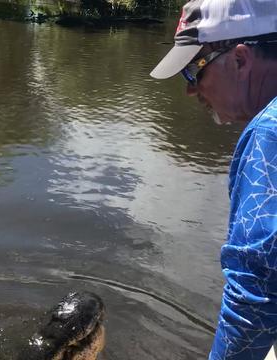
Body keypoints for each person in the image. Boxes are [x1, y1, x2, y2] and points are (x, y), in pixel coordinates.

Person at [149, 0, 277, 359]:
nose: (191, 90)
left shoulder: (270, 133)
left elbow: (255, 297)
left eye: (195, 70)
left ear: (239, 59)